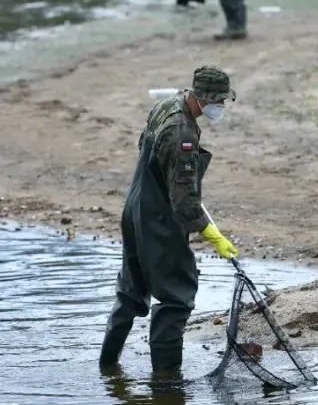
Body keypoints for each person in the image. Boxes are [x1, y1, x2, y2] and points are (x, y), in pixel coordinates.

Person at [99, 66, 239, 374]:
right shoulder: (183, 134)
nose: (222, 108)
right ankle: (167, 386)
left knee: (129, 292)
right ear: (203, 99)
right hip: (159, 222)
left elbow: (147, 152)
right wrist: (213, 235)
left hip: (135, 209)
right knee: (175, 298)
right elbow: (185, 204)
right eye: (220, 102)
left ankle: (107, 365)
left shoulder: (167, 105)